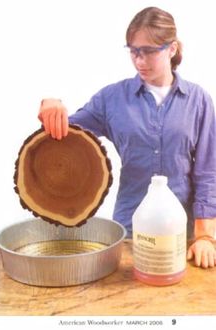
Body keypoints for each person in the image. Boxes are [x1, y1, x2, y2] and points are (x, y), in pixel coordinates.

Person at [38, 7, 216, 268]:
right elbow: (65, 134)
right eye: (134, 51)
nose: (140, 61)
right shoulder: (112, 100)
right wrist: (51, 104)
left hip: (183, 234)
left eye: (149, 51)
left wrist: (206, 237)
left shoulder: (198, 101)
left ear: (172, 49)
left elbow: (207, 172)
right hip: (130, 231)